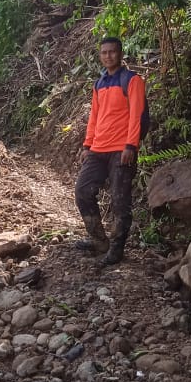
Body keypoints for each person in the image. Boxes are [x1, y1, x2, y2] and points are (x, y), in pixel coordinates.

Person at [75, 36, 146, 266]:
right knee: (83, 191)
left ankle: (116, 249)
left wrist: (131, 145)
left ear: (121, 54)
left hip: (121, 150)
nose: (108, 56)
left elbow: (136, 115)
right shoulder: (99, 83)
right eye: (104, 52)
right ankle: (98, 240)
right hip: (98, 148)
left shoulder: (132, 80)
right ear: (100, 55)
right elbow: (95, 117)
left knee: (119, 201)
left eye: (112, 52)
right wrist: (87, 145)